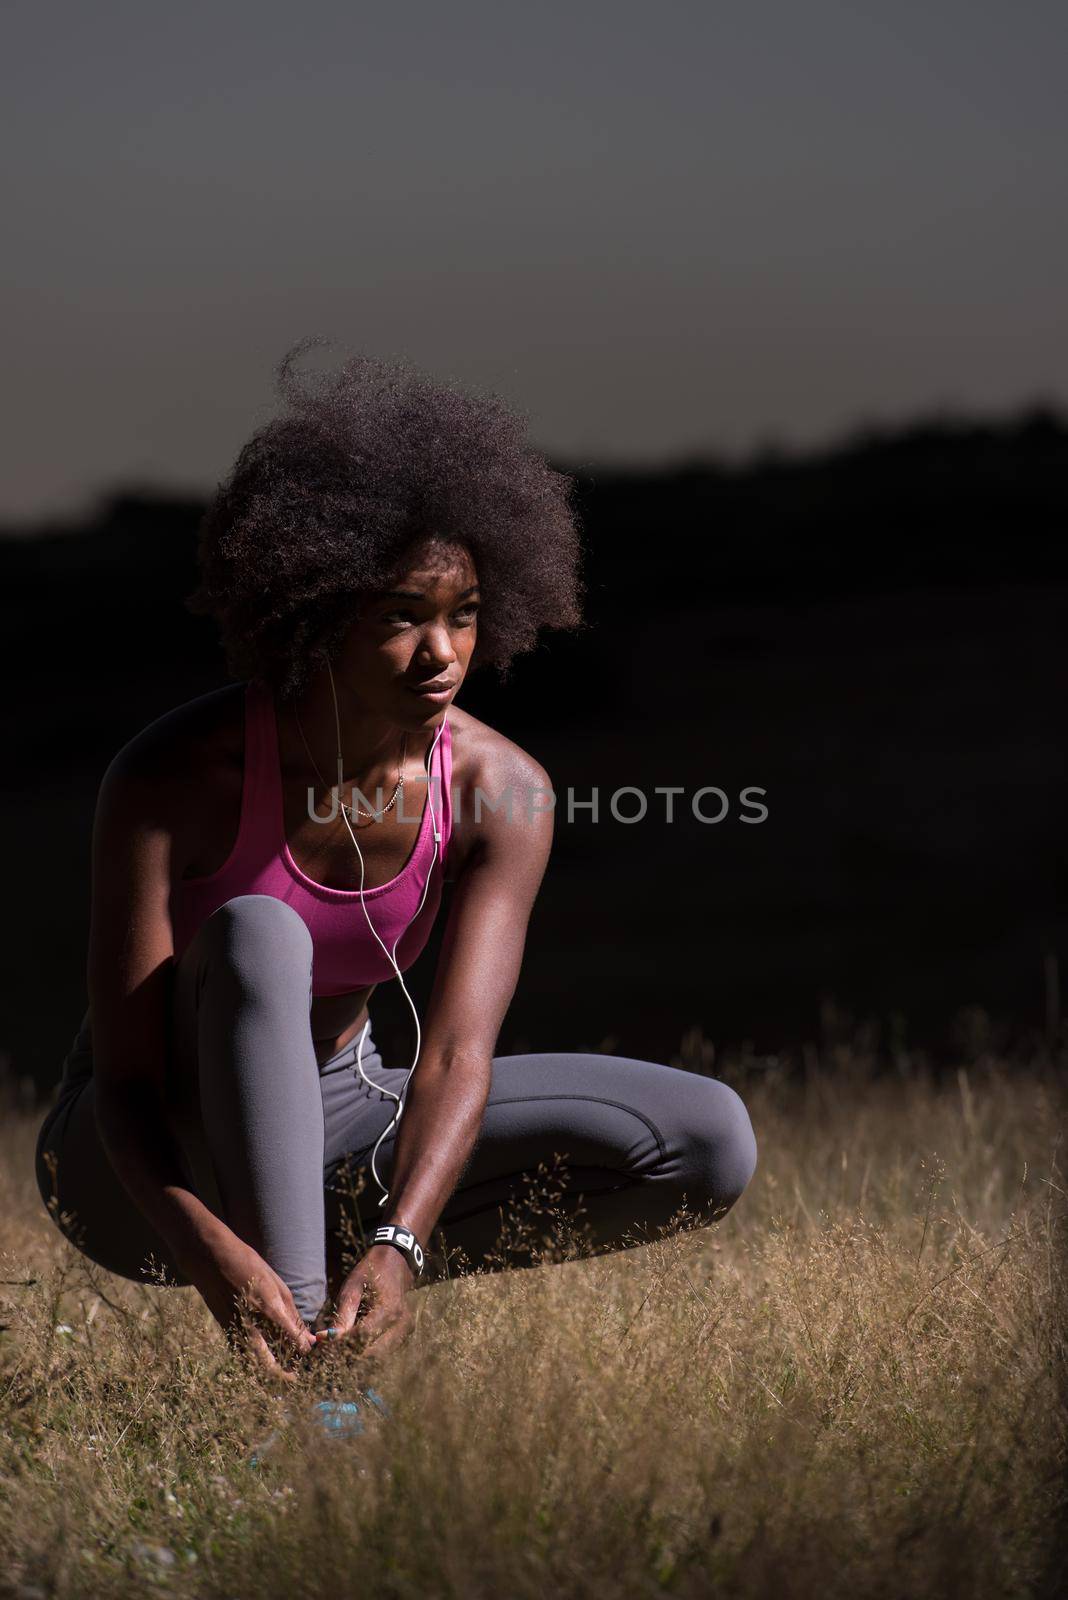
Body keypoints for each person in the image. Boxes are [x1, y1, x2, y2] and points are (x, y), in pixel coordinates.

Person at [33, 340, 758, 1381]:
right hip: (139, 1161)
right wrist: (214, 1257)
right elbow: (130, 1085)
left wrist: (403, 1237)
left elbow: (458, 1054)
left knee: (706, 1138)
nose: (442, 654)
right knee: (257, 931)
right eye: (402, 617)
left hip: (346, 1114)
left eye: (462, 615)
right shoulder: (172, 777)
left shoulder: (501, 791)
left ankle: (343, 1290)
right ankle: (322, 1411)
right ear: (319, 610)